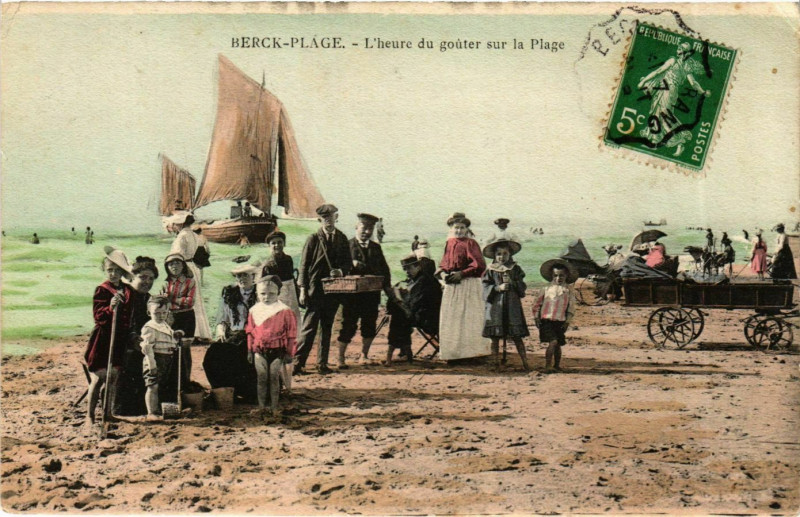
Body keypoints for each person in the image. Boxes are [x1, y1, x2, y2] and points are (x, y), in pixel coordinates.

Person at [295, 204, 351, 375]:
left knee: (327, 328)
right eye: (325, 218)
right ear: (320, 220)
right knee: (309, 328)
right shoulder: (313, 239)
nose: (328, 220)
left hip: (333, 292)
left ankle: (322, 364)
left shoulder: (342, 238)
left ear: (337, 217)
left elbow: (348, 263)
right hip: (315, 291)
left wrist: (340, 271)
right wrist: (303, 290)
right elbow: (303, 266)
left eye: (331, 217)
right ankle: (298, 364)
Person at [83, 247, 134, 426]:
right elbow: (98, 317)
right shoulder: (102, 290)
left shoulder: (128, 290)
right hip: (103, 339)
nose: (113, 273)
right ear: (105, 270)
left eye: (116, 270)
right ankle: (89, 416)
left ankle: (108, 412)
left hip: (119, 338)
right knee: (98, 379)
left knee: (113, 378)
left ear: (122, 272)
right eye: (109, 270)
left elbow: (130, 314)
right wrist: (110, 307)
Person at [336, 213, 394, 368]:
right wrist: (350, 263)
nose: (366, 231)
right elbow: (337, 269)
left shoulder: (376, 248)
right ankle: (340, 358)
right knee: (348, 325)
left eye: (370, 228)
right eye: (364, 227)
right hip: (351, 297)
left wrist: (389, 292)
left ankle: (364, 355)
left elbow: (385, 271)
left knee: (369, 325)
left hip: (371, 295)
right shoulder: (346, 246)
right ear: (356, 227)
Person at [637, 41, 710, 156]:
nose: (677, 50)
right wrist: (702, 92)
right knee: (656, 113)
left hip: (667, 90)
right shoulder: (686, 66)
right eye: (678, 48)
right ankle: (654, 141)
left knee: (665, 115)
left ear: (683, 52)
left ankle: (680, 142)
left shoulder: (673, 61)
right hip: (668, 90)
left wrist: (643, 81)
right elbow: (693, 83)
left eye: (680, 49)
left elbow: (658, 71)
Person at [437, 213, 490, 361]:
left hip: (468, 284)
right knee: (452, 318)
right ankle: (453, 354)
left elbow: (479, 265)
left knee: (469, 318)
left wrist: (462, 274)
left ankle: (472, 354)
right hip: (452, 284)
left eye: (462, 228)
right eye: (456, 228)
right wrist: (442, 274)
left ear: (467, 229)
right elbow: (443, 263)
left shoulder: (470, 243)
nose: (459, 231)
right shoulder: (449, 243)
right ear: (451, 228)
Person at [203, 264, 259, 403]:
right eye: (238, 275)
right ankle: (224, 391)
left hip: (253, 335)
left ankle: (247, 392)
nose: (241, 278)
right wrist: (221, 330)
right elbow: (222, 318)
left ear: (253, 276)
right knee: (213, 355)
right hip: (233, 335)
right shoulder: (229, 293)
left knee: (244, 358)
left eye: (245, 275)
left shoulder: (260, 293)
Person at [246, 275, 298, 416]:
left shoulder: (284, 311)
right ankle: (262, 406)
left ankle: (275, 408)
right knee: (261, 377)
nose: (266, 297)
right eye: (262, 294)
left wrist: (289, 353)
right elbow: (250, 332)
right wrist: (250, 351)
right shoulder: (254, 310)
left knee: (274, 376)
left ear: (278, 294)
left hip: (278, 349)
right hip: (259, 349)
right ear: (257, 294)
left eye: (271, 294)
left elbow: (291, 334)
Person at [115, 256, 158, 416]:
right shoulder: (125, 294)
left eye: (151, 278)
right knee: (135, 358)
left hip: (140, 343)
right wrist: (133, 338)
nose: (147, 281)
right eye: (143, 277)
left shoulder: (148, 298)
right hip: (122, 344)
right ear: (133, 276)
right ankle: (124, 408)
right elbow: (121, 324)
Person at [384, 254, 443, 366]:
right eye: (405, 269)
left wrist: (400, 301)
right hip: (423, 314)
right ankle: (404, 352)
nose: (406, 271)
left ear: (418, 267)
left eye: (409, 268)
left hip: (428, 318)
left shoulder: (424, 281)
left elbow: (416, 303)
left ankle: (397, 353)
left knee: (398, 317)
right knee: (399, 314)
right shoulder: (418, 279)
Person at [481, 239, 530, 371]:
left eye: (505, 254)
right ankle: (495, 362)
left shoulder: (515, 269)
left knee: (517, 336)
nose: (502, 257)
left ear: (510, 254)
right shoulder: (490, 270)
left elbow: (522, 287)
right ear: (494, 256)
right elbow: (484, 287)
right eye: (499, 254)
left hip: (512, 306)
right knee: (495, 337)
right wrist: (498, 288)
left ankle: (525, 362)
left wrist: (513, 283)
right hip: (496, 307)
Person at [168, 213, 212, 339]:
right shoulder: (193, 234)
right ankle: (200, 331)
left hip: (183, 268)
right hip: (191, 266)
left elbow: (177, 255)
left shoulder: (181, 236)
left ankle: (191, 331)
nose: (174, 227)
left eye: (175, 224)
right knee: (196, 299)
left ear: (180, 223)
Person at [140, 295, 184, 421]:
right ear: (149, 312)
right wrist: (152, 365)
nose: (161, 315)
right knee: (152, 385)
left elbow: (167, 338)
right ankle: (151, 412)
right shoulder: (150, 327)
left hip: (167, 358)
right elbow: (147, 348)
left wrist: (176, 335)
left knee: (160, 384)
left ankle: (158, 408)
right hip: (155, 359)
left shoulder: (164, 325)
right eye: (157, 313)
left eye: (164, 312)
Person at [532, 259, 577, 373]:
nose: (558, 278)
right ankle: (548, 365)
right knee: (553, 341)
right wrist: (536, 317)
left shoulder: (568, 290)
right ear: (551, 276)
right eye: (555, 275)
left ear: (566, 275)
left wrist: (568, 321)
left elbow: (571, 307)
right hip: (546, 319)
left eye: (561, 275)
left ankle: (556, 365)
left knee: (558, 344)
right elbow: (537, 303)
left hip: (560, 320)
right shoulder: (546, 289)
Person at [261, 230, 301, 323]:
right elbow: (264, 286)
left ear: (284, 243)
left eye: (280, 242)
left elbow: (292, 277)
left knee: (294, 318)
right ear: (269, 246)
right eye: (273, 243)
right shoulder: (268, 265)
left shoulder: (289, 259)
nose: (277, 245)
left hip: (291, 293)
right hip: (278, 295)